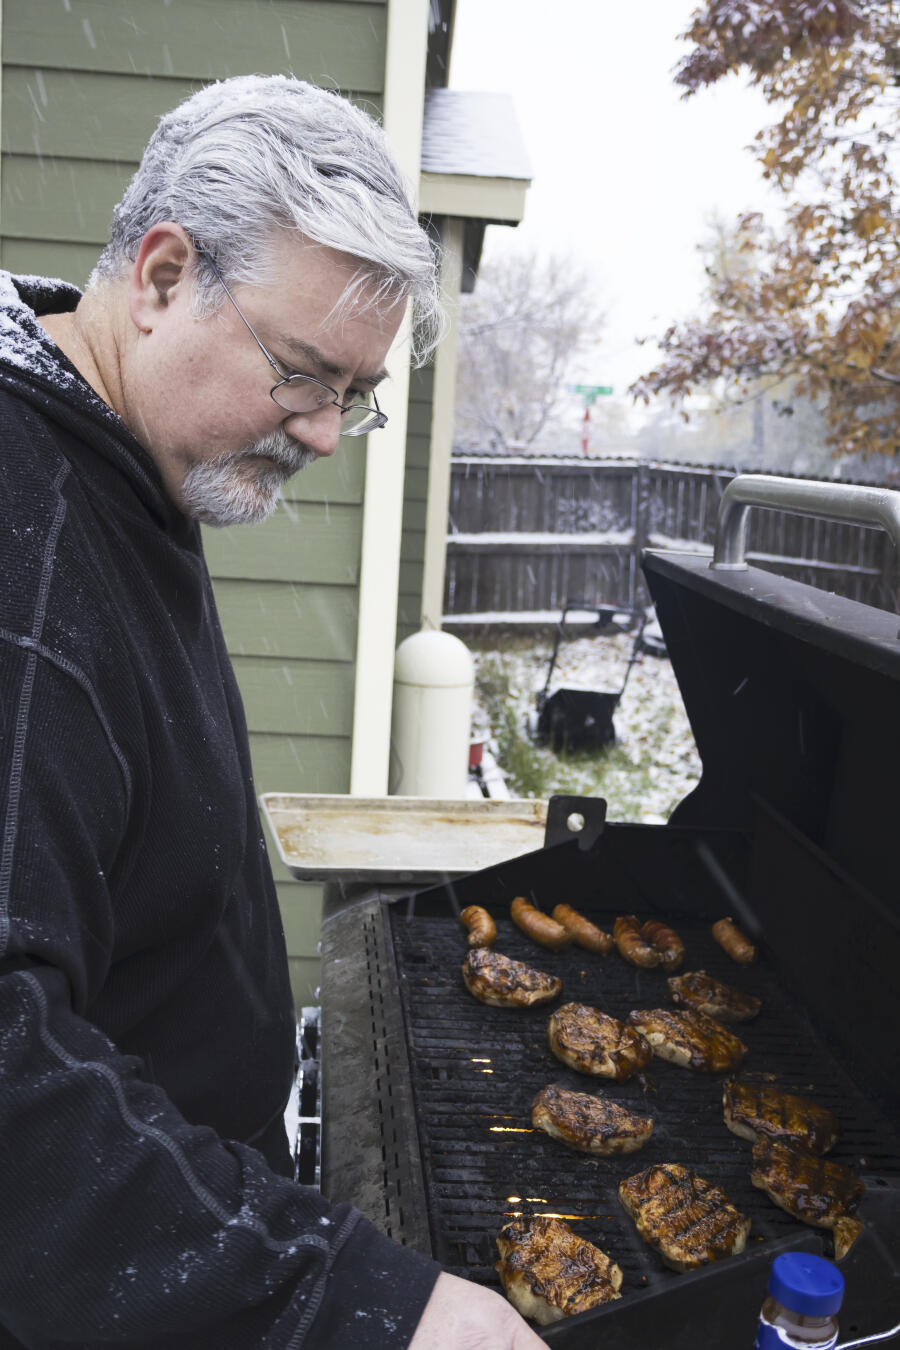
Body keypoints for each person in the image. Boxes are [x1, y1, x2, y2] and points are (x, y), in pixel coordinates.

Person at [0, 75, 544, 1349]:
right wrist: (354, 1302)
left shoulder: (124, 457)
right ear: (161, 277)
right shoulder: (22, 547)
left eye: (354, 393)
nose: (326, 434)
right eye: (302, 375)